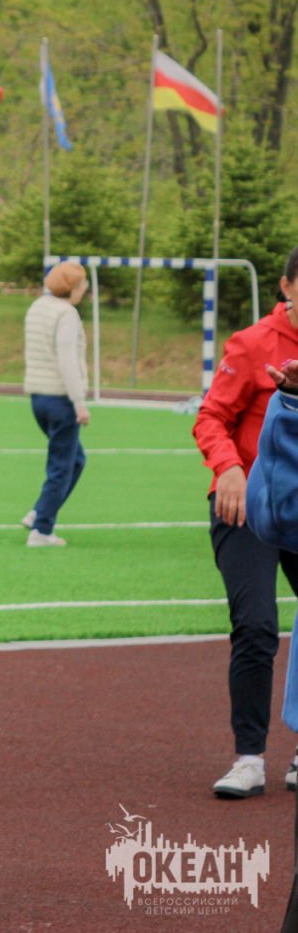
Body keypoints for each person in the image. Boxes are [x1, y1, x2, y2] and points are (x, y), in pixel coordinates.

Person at [193, 244, 298, 800]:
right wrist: (229, 468)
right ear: (287, 287)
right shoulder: (253, 343)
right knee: (256, 625)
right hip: (248, 507)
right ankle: (249, 758)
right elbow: (211, 416)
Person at [21, 260, 91, 547]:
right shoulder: (66, 314)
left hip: (38, 398)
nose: (85, 289)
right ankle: (42, 530)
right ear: (72, 288)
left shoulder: (37, 307)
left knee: (75, 459)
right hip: (60, 400)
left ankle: (40, 510)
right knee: (62, 466)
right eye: (83, 284)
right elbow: (67, 360)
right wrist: (79, 403)